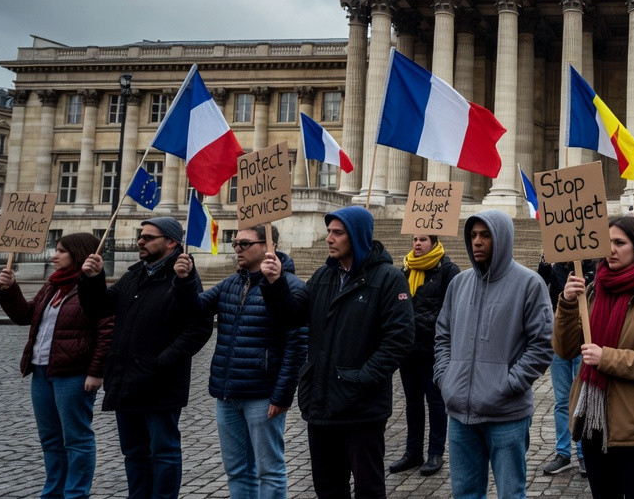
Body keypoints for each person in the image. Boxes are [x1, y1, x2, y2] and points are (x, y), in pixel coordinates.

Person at [259, 206, 413, 499]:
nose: (329, 238)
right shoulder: (322, 277)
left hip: (361, 409)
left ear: (356, 236)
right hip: (321, 405)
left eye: (337, 233)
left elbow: (400, 339)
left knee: (369, 489)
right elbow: (291, 315)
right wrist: (275, 284)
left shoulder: (388, 278)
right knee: (328, 489)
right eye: (329, 231)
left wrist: (361, 378)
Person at [78, 216, 213, 499]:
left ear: (172, 242)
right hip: (127, 377)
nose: (140, 240)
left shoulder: (183, 278)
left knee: (163, 452)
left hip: (159, 381)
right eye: (141, 236)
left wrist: (162, 362)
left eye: (148, 237)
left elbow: (198, 327)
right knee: (134, 452)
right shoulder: (135, 273)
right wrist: (92, 279)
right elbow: (99, 307)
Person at [174, 224, 307, 499]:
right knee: (237, 470)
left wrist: (282, 395)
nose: (236, 249)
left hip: (263, 395)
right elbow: (196, 310)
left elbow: (297, 345)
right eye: (235, 243)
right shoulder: (232, 282)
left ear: (267, 246)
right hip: (227, 393)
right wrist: (186, 280)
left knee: (269, 470)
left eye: (244, 244)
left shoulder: (291, 285)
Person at [553, 216, 634, 499]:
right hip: (592, 419)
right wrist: (568, 304)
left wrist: (606, 357)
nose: (611, 249)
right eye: (607, 242)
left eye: (619, 243)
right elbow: (565, 349)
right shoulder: (593, 289)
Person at [435, 210, 553, 499]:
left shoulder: (529, 283)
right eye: (473, 235)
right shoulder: (458, 284)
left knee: (511, 493)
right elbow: (442, 335)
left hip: (507, 415)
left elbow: (543, 344)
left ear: (502, 239)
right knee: (465, 493)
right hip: (461, 415)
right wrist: (445, 377)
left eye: (485, 235)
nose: (477, 242)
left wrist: (510, 384)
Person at [0, 232, 113, 499]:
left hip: (73, 373)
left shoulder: (93, 289)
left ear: (78, 254)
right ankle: (53, 492)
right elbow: (26, 315)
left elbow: (107, 332)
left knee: (76, 439)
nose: (53, 255)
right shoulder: (52, 285)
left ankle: (75, 494)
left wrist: (96, 372)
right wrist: (9, 289)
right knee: (50, 440)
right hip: (41, 370)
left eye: (60, 251)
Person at [389, 234, 460, 477]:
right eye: (414, 239)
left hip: (434, 349)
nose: (416, 244)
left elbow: (449, 311)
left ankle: (435, 452)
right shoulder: (405, 269)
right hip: (408, 349)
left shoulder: (448, 270)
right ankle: (413, 452)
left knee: (436, 401)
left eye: (422, 240)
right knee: (412, 403)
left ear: (434, 242)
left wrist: (416, 323)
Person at [537, 256, 595, 476]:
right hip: (559, 339)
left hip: (585, 339)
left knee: (581, 397)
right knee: (562, 400)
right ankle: (563, 453)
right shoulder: (555, 268)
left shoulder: (592, 266)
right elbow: (539, 286)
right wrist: (544, 265)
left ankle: (583, 453)